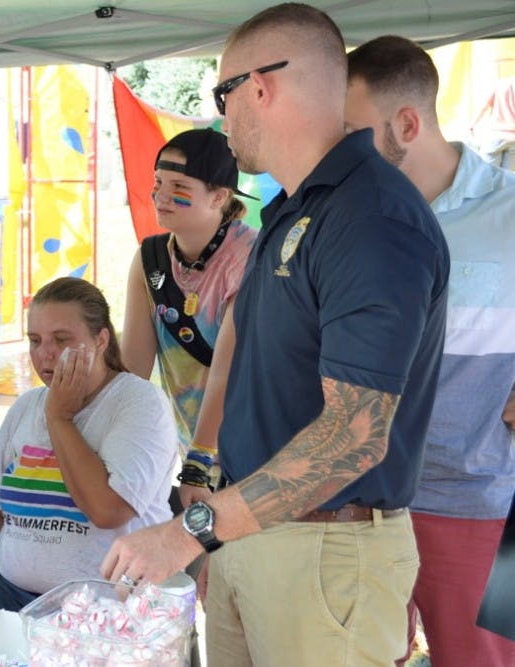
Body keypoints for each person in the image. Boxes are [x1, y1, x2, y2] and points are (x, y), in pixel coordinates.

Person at [101, 4, 450, 666]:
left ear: (259, 87)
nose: (220, 118)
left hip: (325, 550)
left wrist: (188, 531)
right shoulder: (295, 208)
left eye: (221, 95)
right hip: (252, 533)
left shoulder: (371, 216)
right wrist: (205, 477)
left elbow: (353, 436)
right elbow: (242, 361)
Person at [345, 35, 515, 667]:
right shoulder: (351, 215)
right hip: (358, 498)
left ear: (407, 124)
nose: (342, 148)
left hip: (483, 501)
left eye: (353, 131)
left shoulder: (510, 211)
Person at [0, 277, 177, 614]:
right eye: (35, 340)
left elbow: (108, 511)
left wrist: (60, 418)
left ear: (101, 339)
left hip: (101, 607)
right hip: (6, 591)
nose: (45, 354)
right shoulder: (27, 405)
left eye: (62, 340)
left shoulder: (139, 403)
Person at [121, 128, 257, 517]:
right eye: (158, 183)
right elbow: (133, 371)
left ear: (219, 196)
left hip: (250, 452)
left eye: (179, 185)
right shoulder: (150, 260)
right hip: (189, 447)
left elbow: (225, 374)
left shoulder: (248, 258)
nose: (161, 196)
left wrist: (197, 465)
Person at [470, 77, 515, 170]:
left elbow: (483, 107)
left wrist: (472, 125)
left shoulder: (500, 85)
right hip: (513, 139)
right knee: (506, 177)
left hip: (495, 136)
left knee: (487, 173)